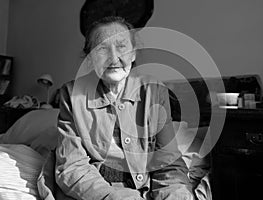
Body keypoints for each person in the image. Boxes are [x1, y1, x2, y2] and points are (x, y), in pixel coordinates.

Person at [55, 16, 194, 200]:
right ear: (89, 59)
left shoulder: (154, 91)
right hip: (94, 190)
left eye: (121, 47)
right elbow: (72, 166)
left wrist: (174, 195)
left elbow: (168, 162)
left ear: (134, 53)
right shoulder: (72, 94)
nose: (114, 58)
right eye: (102, 48)